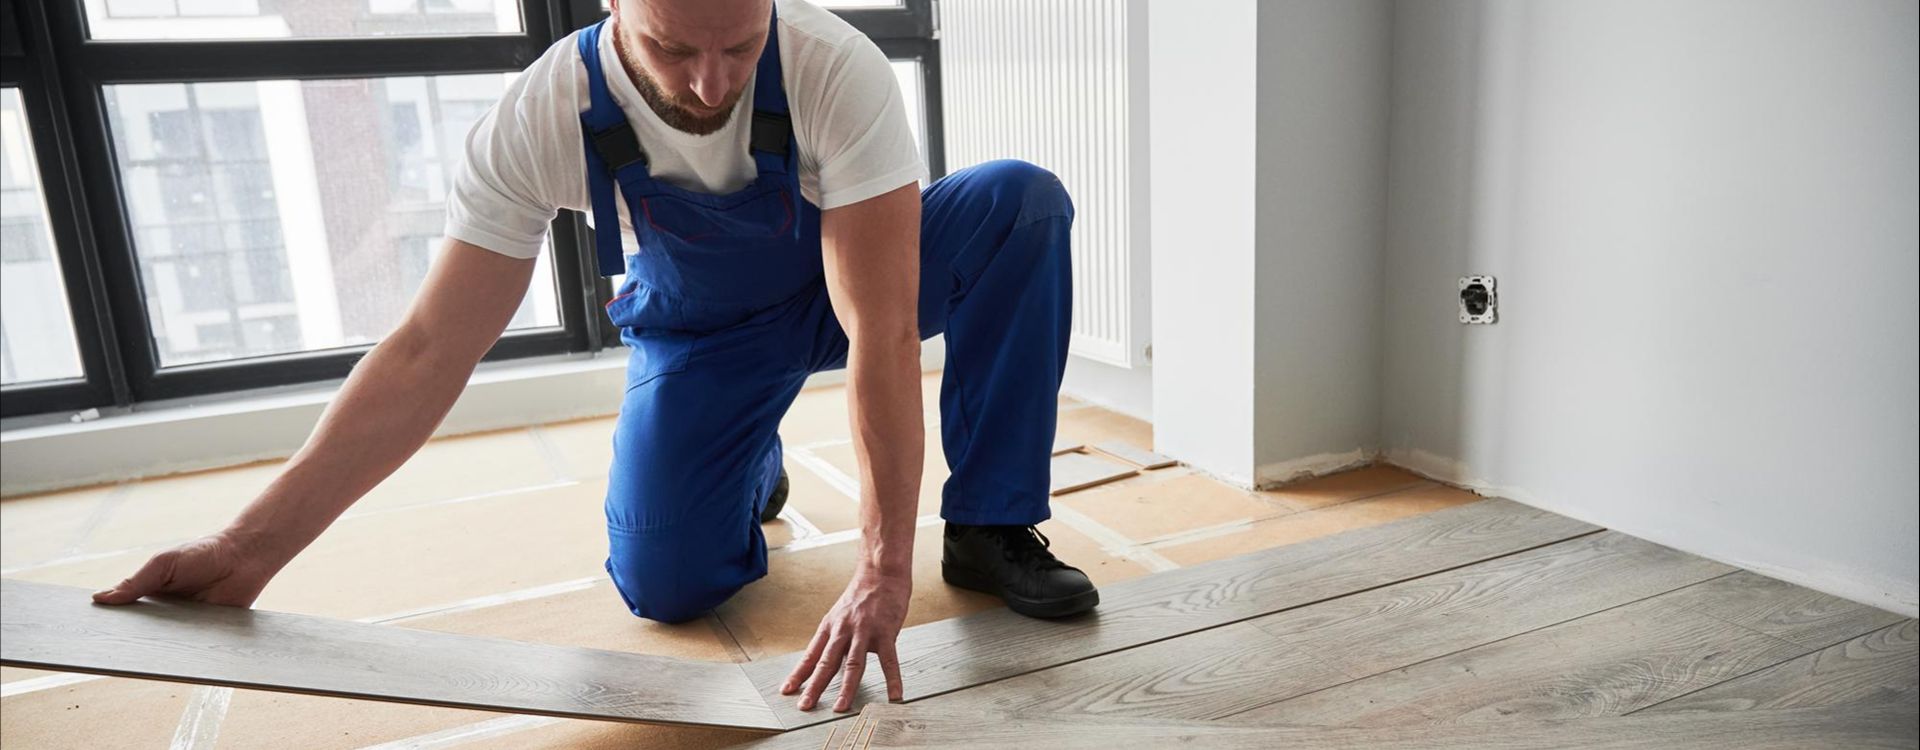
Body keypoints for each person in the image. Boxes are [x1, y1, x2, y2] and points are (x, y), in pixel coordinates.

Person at [89, 0, 1095, 715]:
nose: (710, 84)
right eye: (672, 48)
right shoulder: (541, 113)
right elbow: (427, 350)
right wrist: (246, 549)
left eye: (741, 48)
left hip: (852, 288)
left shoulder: (835, 66)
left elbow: (879, 332)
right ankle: (744, 464)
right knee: (665, 583)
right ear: (612, 6)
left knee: (1020, 199)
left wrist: (885, 565)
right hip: (708, 335)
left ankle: (993, 524)